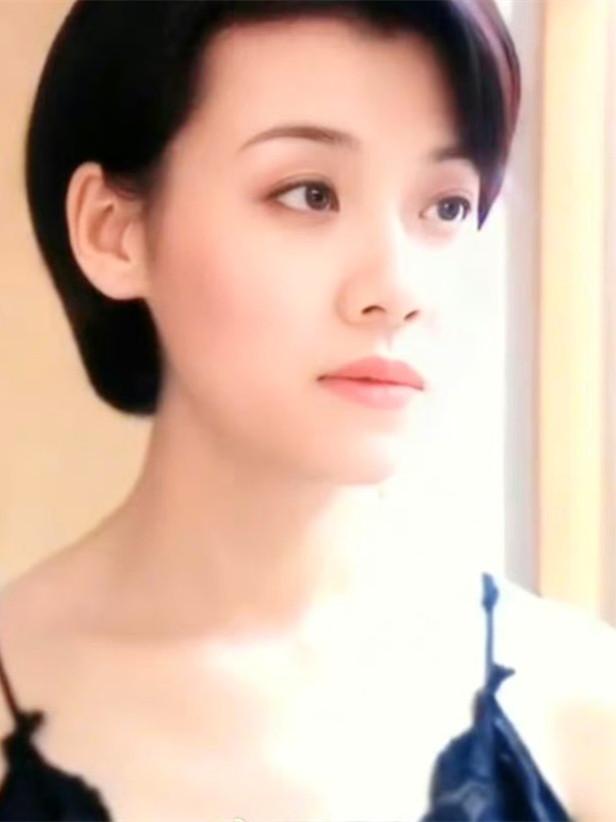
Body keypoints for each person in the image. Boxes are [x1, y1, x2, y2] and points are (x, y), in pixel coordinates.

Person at [0, 0, 614, 819]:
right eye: (309, 194)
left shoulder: (579, 710)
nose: (397, 288)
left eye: (446, 206)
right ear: (113, 231)